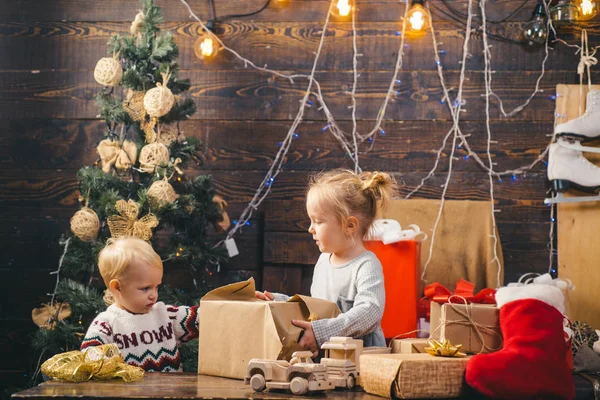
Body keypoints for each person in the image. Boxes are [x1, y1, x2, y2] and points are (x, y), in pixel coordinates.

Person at [256, 169, 396, 356]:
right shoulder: (323, 261)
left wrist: (320, 331)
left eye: (318, 221)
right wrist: (280, 302)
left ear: (349, 225)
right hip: (327, 358)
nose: (310, 229)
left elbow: (370, 312)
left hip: (360, 361)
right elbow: (317, 308)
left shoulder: (366, 265)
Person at [80, 237, 198, 372]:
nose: (153, 294)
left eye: (156, 287)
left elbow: (202, 318)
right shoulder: (107, 323)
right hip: (129, 392)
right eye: (145, 288)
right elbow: (89, 355)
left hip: (170, 392)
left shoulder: (164, 314)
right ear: (117, 288)